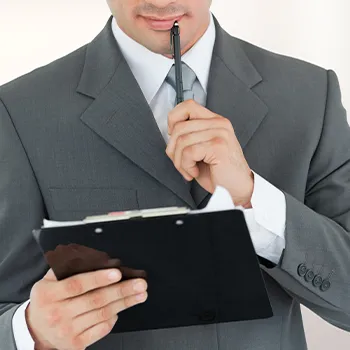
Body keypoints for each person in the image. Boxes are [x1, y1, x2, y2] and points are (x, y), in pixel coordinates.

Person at [0, 0, 349, 349]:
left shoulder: (312, 95)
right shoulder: (20, 111)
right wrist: (30, 329)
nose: (162, 1)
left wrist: (252, 195)